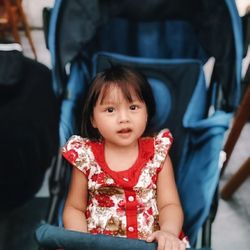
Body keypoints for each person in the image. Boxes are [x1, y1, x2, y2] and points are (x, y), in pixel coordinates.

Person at [61, 65, 189, 250]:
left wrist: (168, 233)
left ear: (147, 113)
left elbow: (170, 204)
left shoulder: (157, 153)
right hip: (99, 245)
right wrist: (81, 241)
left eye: (133, 107)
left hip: (150, 245)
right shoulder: (86, 157)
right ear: (93, 120)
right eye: (110, 110)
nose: (124, 118)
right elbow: (75, 208)